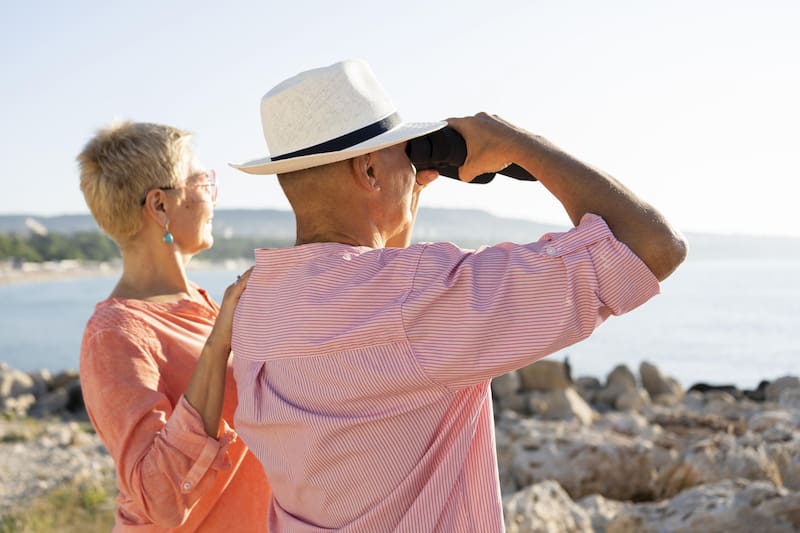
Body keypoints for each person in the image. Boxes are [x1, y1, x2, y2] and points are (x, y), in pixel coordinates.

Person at [229, 59, 688, 531]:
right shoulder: (416, 296)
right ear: (368, 170)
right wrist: (519, 142)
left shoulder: (256, 304)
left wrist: (396, 198)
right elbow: (652, 245)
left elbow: (377, 321)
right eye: (401, 156)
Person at [78, 121, 270, 531]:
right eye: (202, 181)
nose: (213, 198)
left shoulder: (201, 305)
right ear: (160, 205)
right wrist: (219, 344)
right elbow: (159, 500)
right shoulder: (114, 334)